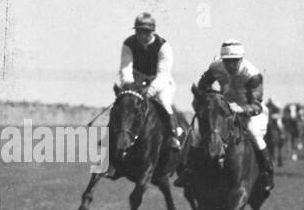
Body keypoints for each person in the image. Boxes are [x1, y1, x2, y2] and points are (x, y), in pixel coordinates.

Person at [182, 39, 274, 193]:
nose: (230, 66)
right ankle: (189, 171)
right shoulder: (215, 67)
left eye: (234, 62)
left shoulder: (253, 74)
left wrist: (240, 109)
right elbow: (202, 88)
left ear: (241, 60)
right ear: (222, 60)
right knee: (198, 133)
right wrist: (210, 101)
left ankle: (267, 172)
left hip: (250, 111)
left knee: (253, 132)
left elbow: (256, 105)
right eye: (227, 61)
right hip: (226, 107)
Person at [117, 12, 183, 150]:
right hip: (136, 79)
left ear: (153, 32)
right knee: (123, 103)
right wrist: (129, 86)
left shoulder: (163, 47)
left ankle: (173, 135)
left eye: (146, 32)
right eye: (139, 32)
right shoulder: (128, 44)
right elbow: (125, 68)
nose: (142, 36)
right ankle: (110, 136)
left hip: (159, 81)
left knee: (164, 102)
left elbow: (163, 74)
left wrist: (151, 90)